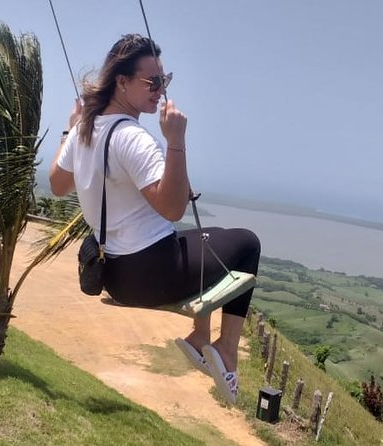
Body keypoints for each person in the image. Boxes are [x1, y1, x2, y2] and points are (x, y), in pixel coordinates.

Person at [49, 33, 260, 404]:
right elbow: (173, 209)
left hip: (114, 275)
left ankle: (198, 337)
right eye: (152, 82)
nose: (160, 90)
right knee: (246, 243)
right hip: (152, 274)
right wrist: (176, 141)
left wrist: (70, 127)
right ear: (122, 82)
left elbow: (57, 184)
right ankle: (226, 350)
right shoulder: (132, 137)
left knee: (213, 235)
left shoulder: (86, 130)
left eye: (165, 80)